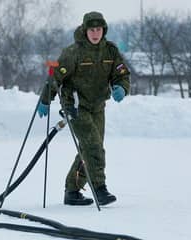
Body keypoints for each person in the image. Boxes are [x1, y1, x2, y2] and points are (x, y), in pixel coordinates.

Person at [37, 11, 130, 206]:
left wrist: (122, 87)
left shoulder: (110, 51)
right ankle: (100, 189)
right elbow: (55, 78)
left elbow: (121, 73)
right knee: (93, 146)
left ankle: (72, 191)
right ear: (85, 30)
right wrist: (45, 99)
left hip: (97, 106)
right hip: (76, 106)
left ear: (103, 30)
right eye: (91, 29)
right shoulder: (73, 52)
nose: (95, 33)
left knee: (87, 148)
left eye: (98, 29)